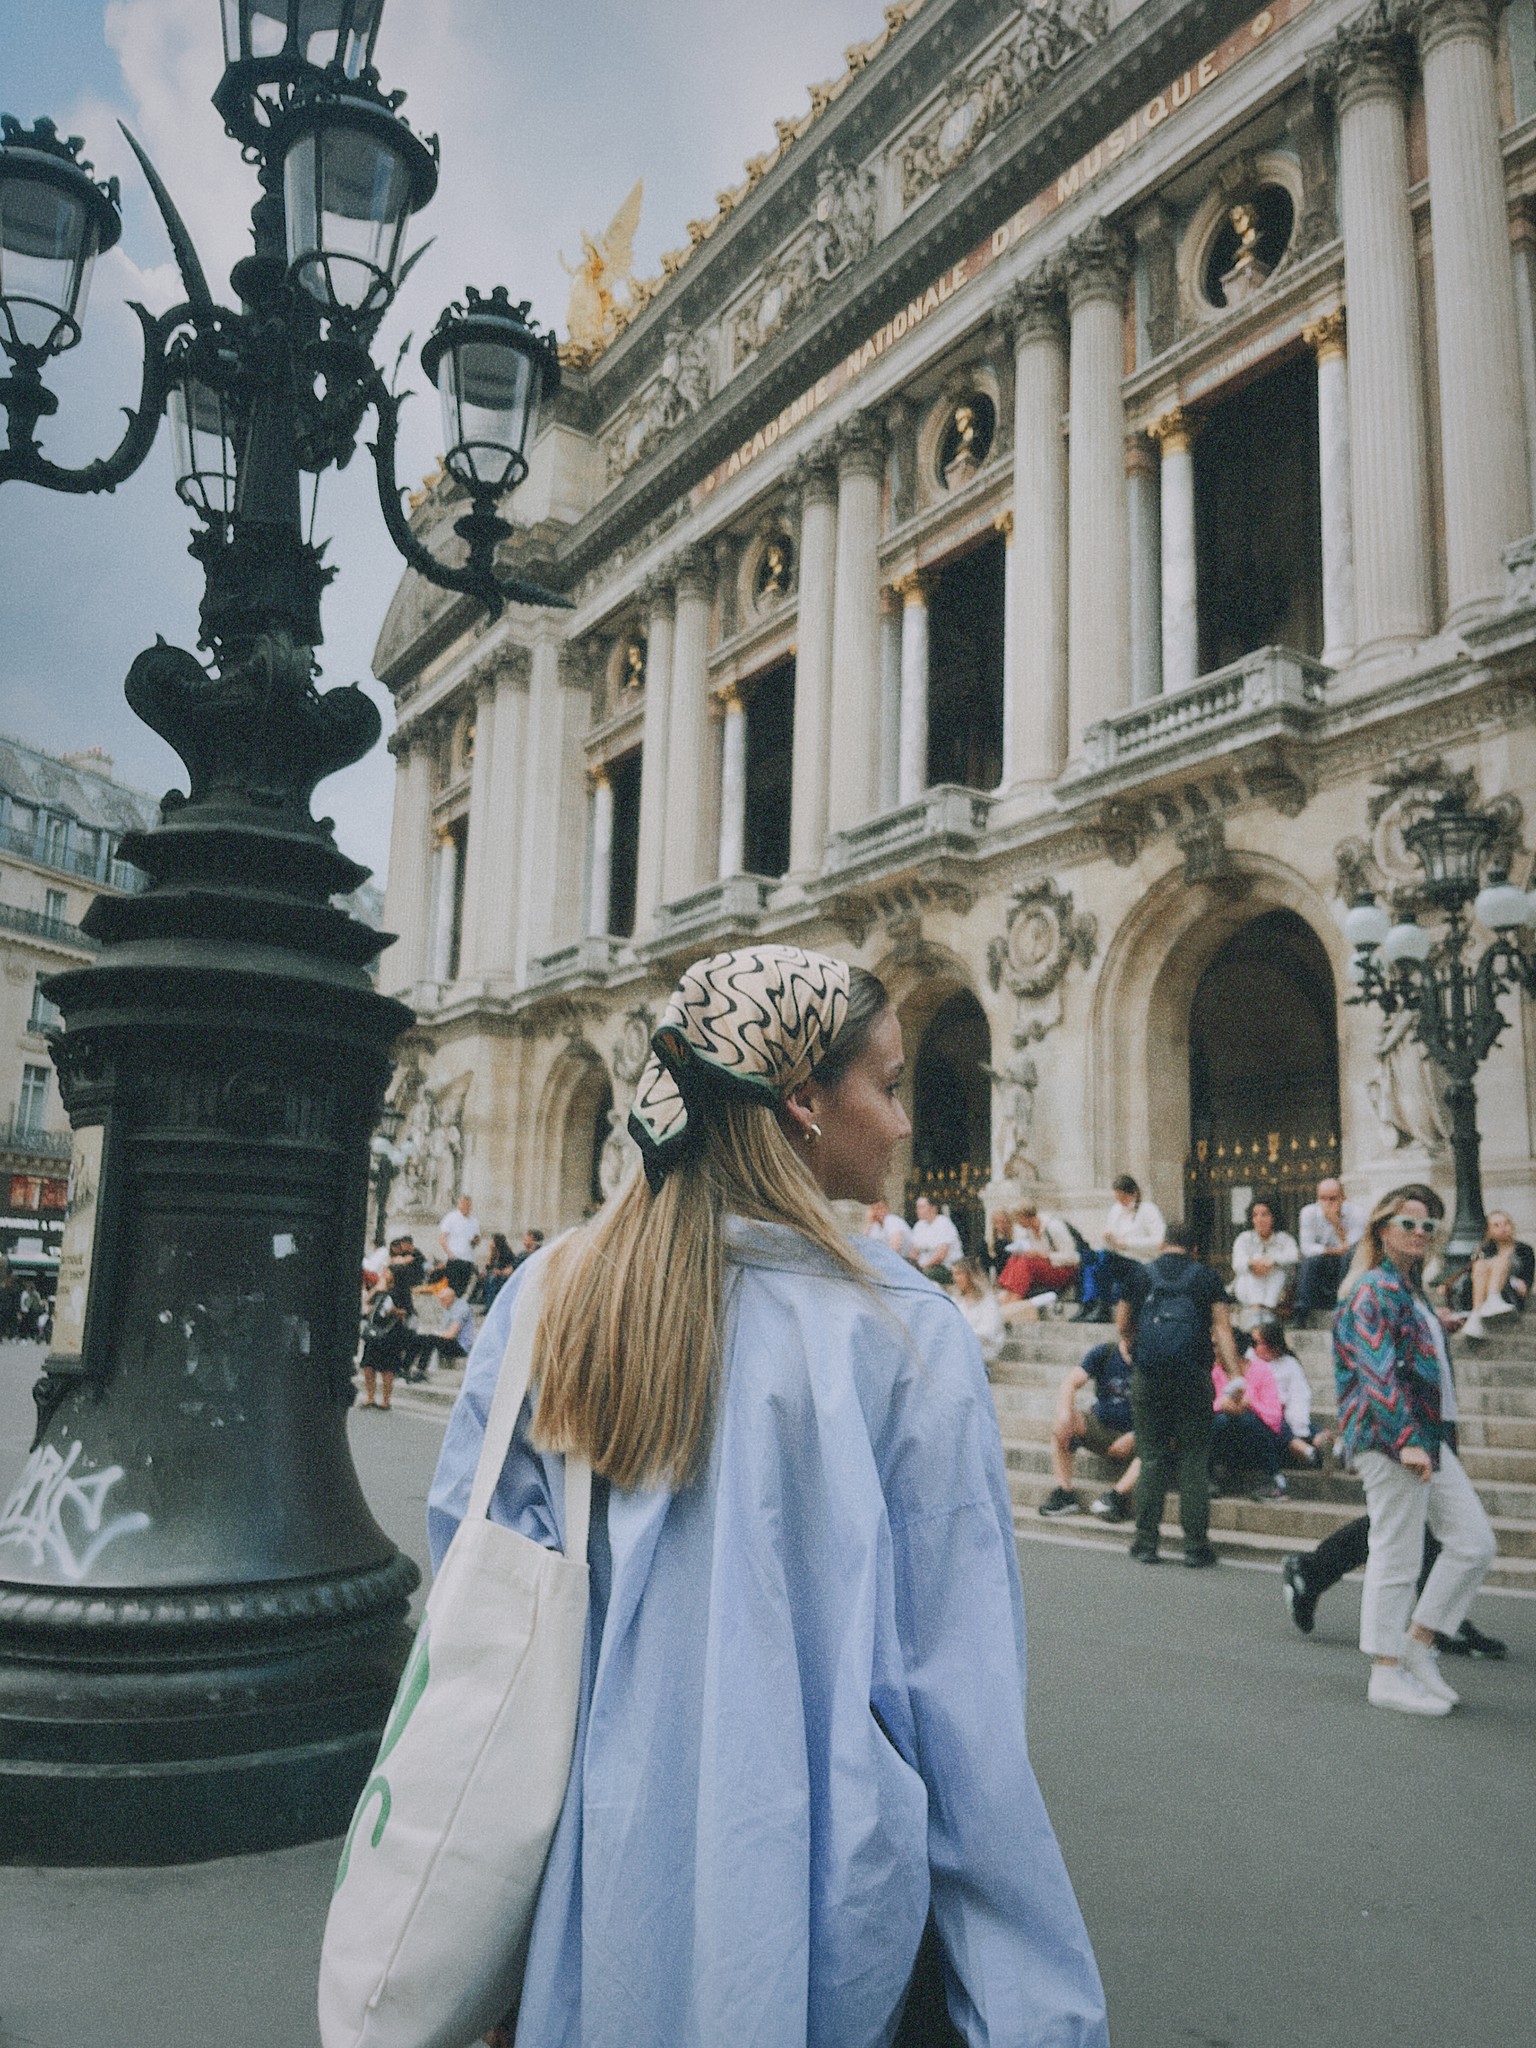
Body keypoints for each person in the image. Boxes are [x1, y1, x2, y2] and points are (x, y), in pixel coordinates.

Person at [428, 945, 1107, 2047]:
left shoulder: (549, 1296)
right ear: (802, 1100)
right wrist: (1034, 2011)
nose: (901, 1121)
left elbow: (478, 1611)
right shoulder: (899, 1329)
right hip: (812, 1895)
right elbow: (958, 1700)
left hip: (583, 1896)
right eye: (886, 1086)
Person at [1333, 1183, 1498, 1715]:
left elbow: (1407, 1354)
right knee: (1397, 1552)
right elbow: (1376, 1372)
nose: (1421, 1233)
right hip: (1391, 1438)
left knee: (1473, 1543)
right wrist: (1406, 1441)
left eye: (1428, 1226)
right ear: (1382, 1230)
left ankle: (1418, 1645)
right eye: (1409, 1224)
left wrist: (1436, 1327)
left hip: (1428, 1436)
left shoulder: (1411, 1291)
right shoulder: (1372, 1290)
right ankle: (1385, 1671)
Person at [1118, 1218, 1241, 1566]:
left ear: (1162, 1243)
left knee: (1152, 1455)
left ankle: (1145, 1543)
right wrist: (1234, 1378)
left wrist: (1130, 1343)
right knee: (1193, 1459)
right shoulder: (1206, 1277)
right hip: (1193, 1377)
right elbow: (1223, 1330)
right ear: (1195, 1249)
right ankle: (1195, 1546)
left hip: (1149, 1376)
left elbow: (1122, 1323)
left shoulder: (1141, 1275)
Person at [1279, 1520, 1508, 1659]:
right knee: (1401, 1519)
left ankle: (1440, 1621)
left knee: (1420, 1522)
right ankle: (1311, 1570)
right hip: (1402, 1443)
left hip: (1427, 1443)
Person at [1037, 1331, 1140, 1524]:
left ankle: (1116, 1497)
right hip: (1102, 1427)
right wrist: (1065, 1415)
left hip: (1138, 1435)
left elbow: (1166, 1410)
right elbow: (1069, 1383)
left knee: (1159, 1439)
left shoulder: (1153, 1360)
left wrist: (1136, 1435)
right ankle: (1065, 1493)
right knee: (1064, 1422)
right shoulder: (1106, 1353)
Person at [1074, 1175, 1165, 1323]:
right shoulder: (1116, 1210)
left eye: (1124, 1199)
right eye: (1118, 1199)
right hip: (1118, 1256)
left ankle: (1103, 1306)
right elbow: (1111, 1240)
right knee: (1088, 1258)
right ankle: (1087, 1304)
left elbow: (1159, 1241)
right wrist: (1109, 1239)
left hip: (1141, 1260)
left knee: (1104, 1259)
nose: (1121, 1203)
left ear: (1133, 1194)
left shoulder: (1148, 1209)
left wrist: (1127, 1243)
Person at [1246, 1319, 1329, 1467]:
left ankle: (1328, 1447)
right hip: (1263, 1410)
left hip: (1285, 1411)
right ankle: (1307, 1451)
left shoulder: (1290, 1364)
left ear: (1273, 1346)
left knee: (1307, 1428)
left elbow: (1299, 1395)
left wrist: (1297, 1419)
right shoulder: (1250, 1360)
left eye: (1257, 1343)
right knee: (1278, 1425)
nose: (1253, 1347)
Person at [1209, 1348, 1288, 1500]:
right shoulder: (1215, 1371)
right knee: (1221, 1420)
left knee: (1247, 1419)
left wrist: (1251, 1405)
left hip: (1257, 1439)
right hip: (1225, 1442)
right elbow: (1203, 1407)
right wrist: (1221, 1405)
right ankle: (1208, 1477)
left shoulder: (1261, 1370)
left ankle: (1276, 1480)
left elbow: (1274, 1416)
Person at [1293, 1177, 1366, 1326]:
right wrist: (1330, 1250)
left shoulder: (1357, 1213)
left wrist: (1336, 1223)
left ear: (1343, 1198)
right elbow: (1306, 1248)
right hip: (1325, 1257)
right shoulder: (1309, 1213)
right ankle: (1302, 1312)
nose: (1327, 1203)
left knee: (1348, 1257)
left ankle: (1344, 1306)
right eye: (1323, 1198)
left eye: (1333, 1199)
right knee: (1310, 1262)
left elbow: (1351, 1246)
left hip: (1346, 1260)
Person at [1459, 1210, 1533, 1339]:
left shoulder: (1524, 1250)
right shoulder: (1485, 1250)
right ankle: (1479, 1312)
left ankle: (1491, 1301)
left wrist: (1517, 1282)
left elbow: (1527, 1283)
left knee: (1501, 1261)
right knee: (1480, 1265)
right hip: (1481, 1297)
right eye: (1496, 1225)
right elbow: (1473, 1278)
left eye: (1506, 1223)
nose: (1503, 1228)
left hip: (1508, 1299)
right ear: (1489, 1231)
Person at [1229, 1198, 1300, 1326]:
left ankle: (1267, 1311)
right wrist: (1253, 1264)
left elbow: (1294, 1256)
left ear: (1273, 1217)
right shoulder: (1244, 1238)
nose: (1260, 1219)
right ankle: (1258, 1310)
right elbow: (1237, 1263)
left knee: (1277, 1271)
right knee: (1255, 1262)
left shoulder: (1284, 1238)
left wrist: (1272, 1261)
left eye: (1265, 1215)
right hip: (1247, 1289)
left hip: (1276, 1291)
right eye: (1255, 1215)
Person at [996, 1201, 1079, 1306]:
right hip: (1045, 1268)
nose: (1018, 1224)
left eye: (1019, 1220)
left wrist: (1044, 1255)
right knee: (1016, 1257)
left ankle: (1014, 1298)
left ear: (1026, 1217)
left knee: (1027, 1261)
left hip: (1064, 1269)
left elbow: (1072, 1257)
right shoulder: (1029, 1231)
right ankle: (1007, 1293)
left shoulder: (1054, 1227)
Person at [406, 1276, 477, 1381]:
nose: (440, 1302)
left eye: (442, 1300)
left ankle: (421, 1370)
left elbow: (451, 1334)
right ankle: (405, 1366)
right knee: (419, 1337)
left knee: (430, 1338)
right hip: (450, 1341)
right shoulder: (448, 1306)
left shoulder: (461, 1309)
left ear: (451, 1298)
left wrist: (435, 1333)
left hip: (461, 1346)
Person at [359, 1264, 409, 1410]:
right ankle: (370, 1397)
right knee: (368, 1366)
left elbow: (406, 1312)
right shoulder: (381, 1290)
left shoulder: (400, 1292)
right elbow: (368, 1301)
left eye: (387, 1272)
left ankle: (386, 1400)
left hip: (391, 1334)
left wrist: (394, 1311)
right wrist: (377, 1288)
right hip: (375, 1331)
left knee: (387, 1368)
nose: (384, 1273)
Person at [950, 1256, 1004, 1366]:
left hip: (985, 1348)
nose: (955, 1278)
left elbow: (988, 1332)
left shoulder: (988, 1301)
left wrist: (961, 1335)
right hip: (961, 1345)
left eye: (959, 1274)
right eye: (954, 1274)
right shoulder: (956, 1300)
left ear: (970, 1275)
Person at [910, 1192, 963, 1286]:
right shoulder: (919, 1225)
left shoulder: (943, 1223)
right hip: (924, 1266)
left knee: (925, 1274)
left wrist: (921, 1268)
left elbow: (940, 1256)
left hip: (946, 1267)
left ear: (933, 1208)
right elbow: (914, 1251)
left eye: (922, 1207)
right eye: (917, 1207)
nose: (918, 1210)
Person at [437, 1193, 481, 1297]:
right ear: (459, 1204)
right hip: (454, 1258)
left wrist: (476, 1240)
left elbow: (477, 1241)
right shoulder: (451, 1217)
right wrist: (449, 1253)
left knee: (462, 1289)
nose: (466, 1206)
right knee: (451, 1289)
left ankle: (457, 1310)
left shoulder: (474, 1221)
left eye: (468, 1204)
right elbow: (442, 1238)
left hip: (468, 1259)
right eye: (463, 1204)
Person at [865, 1197, 916, 1262]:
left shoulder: (892, 1220)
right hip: (891, 1259)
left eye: (879, 1208)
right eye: (873, 1209)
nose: (877, 1211)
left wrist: (881, 1260)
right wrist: (869, 1223)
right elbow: (864, 1244)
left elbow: (896, 1246)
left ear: (887, 1208)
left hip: (906, 1261)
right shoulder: (875, 1225)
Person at [482, 1233, 519, 1311]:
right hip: (497, 1274)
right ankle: (486, 1304)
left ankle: (490, 1307)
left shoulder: (506, 1253)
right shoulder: (495, 1252)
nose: (490, 1243)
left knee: (491, 1281)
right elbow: (488, 1266)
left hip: (505, 1276)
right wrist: (491, 1253)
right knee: (485, 1279)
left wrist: (498, 1271)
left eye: (492, 1241)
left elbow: (507, 1268)